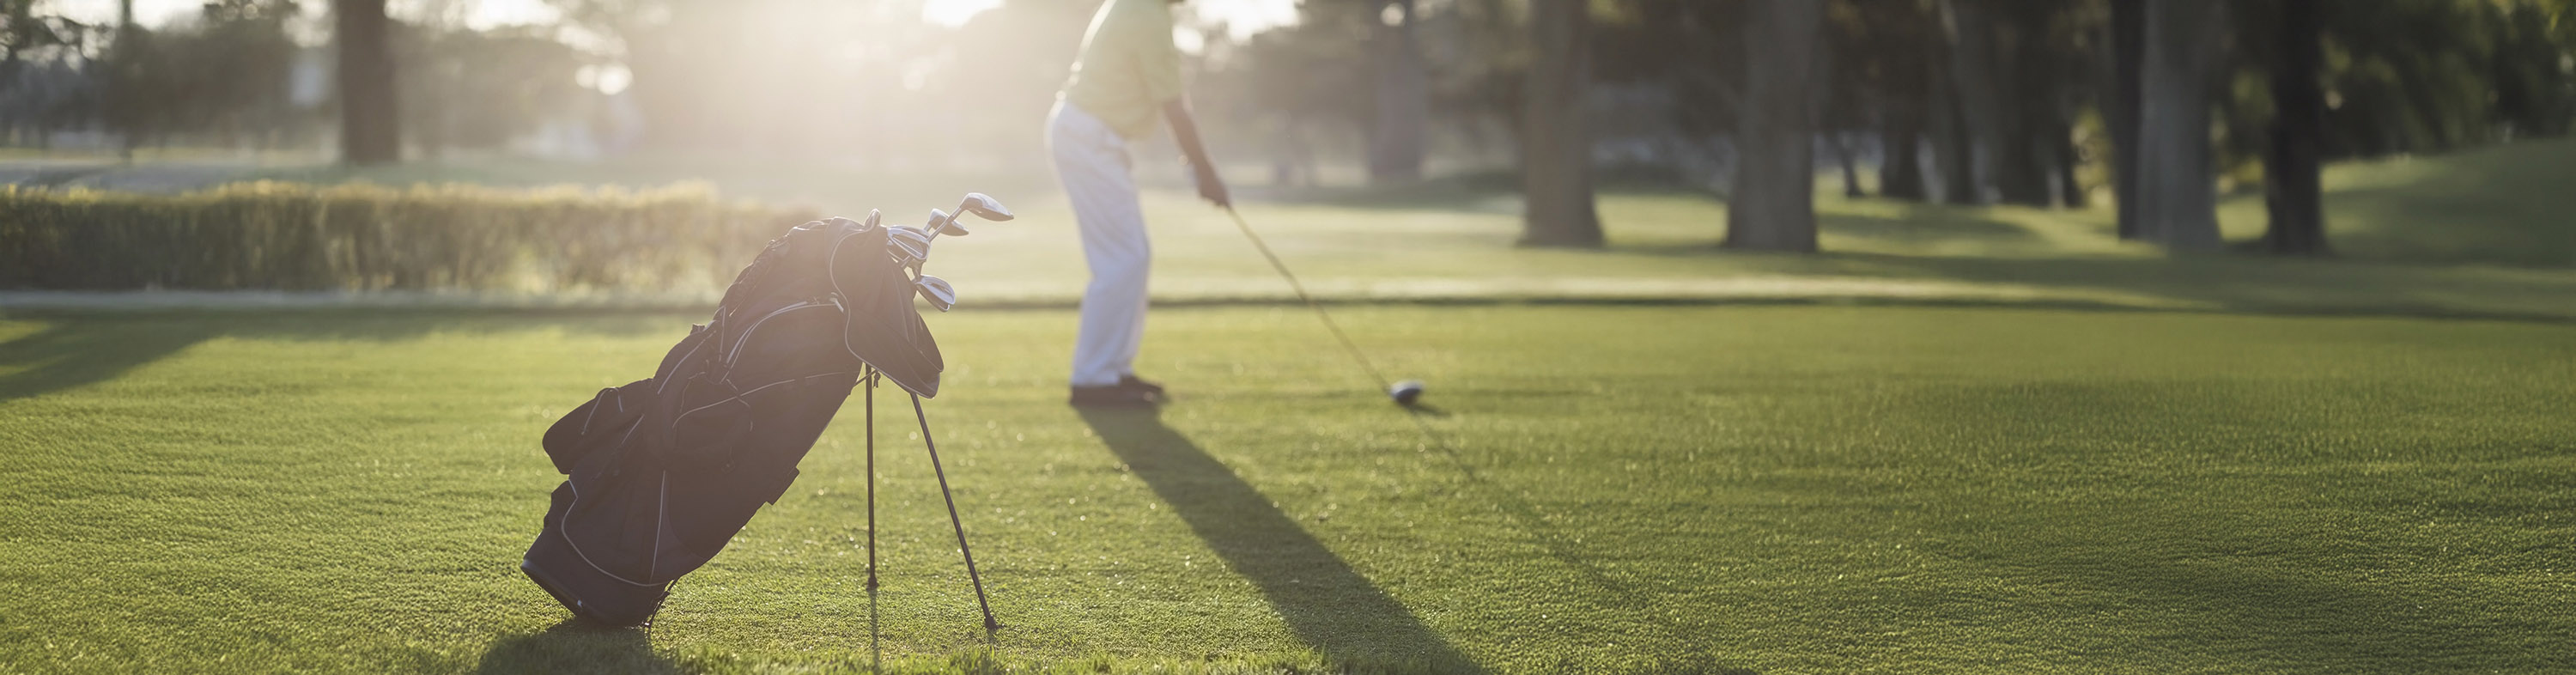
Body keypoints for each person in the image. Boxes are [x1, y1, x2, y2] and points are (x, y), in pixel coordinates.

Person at [1048, 0, 1229, 407]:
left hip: (1091, 137)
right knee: (1122, 259)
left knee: (1133, 256)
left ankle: (1112, 371)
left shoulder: (1140, 7)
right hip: (1088, 137)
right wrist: (1205, 171)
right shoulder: (1146, 13)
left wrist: (1202, 170)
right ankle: (1094, 381)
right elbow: (1174, 107)